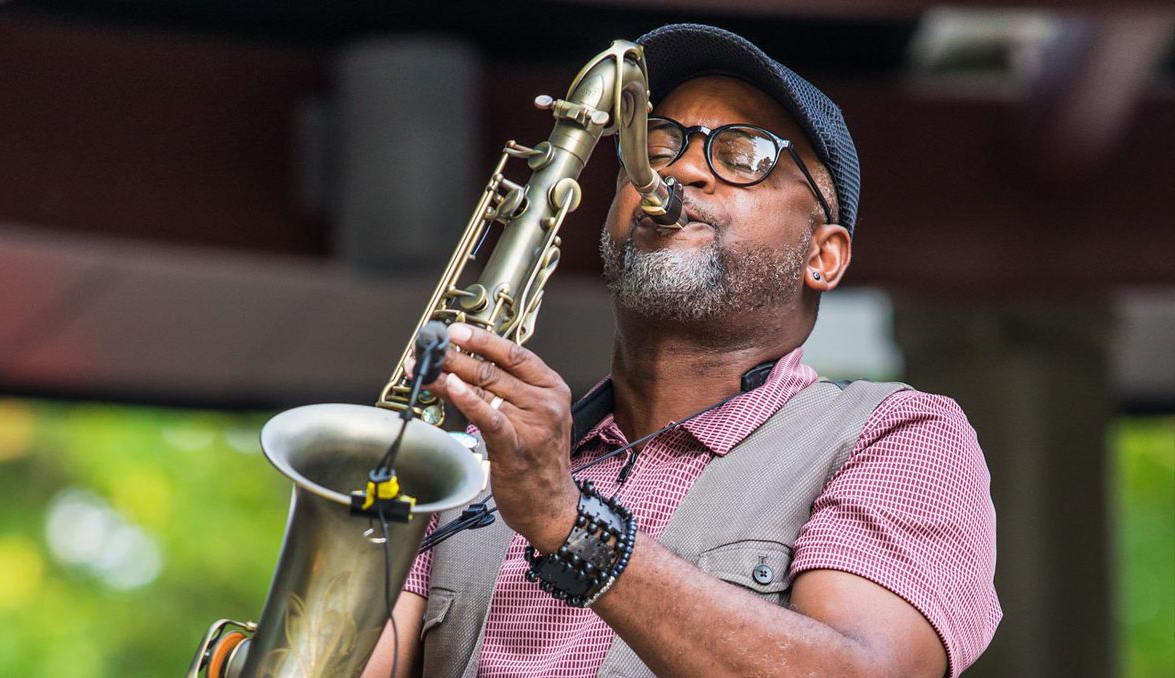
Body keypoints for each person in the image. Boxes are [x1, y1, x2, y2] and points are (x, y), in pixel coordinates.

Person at [364, 23, 1000, 678]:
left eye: (744, 155)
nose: (681, 169)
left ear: (824, 256)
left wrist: (572, 523)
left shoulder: (898, 436)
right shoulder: (477, 463)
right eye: (657, 144)